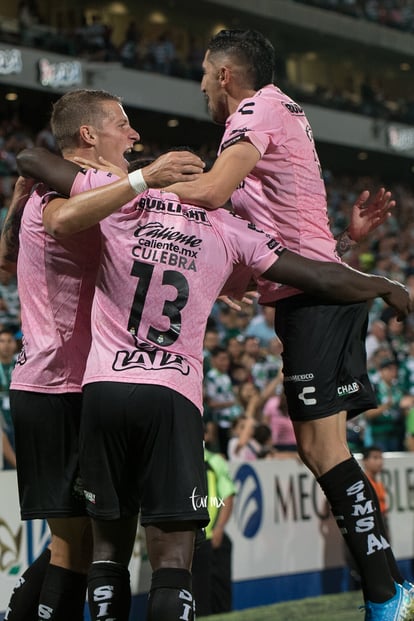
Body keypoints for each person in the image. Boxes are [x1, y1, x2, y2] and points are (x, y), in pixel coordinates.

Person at [15, 143, 411, 620]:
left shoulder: (124, 204)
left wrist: (121, 175)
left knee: (105, 553)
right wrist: (387, 285)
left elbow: (33, 159)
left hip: (102, 389)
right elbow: (315, 278)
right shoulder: (227, 230)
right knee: (173, 560)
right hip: (174, 396)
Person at [155, 28, 414, 620]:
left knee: (324, 450)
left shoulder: (255, 108)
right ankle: (387, 589)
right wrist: (344, 240)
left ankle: (387, 592)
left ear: (225, 74)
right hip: (314, 292)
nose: (199, 84)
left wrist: (145, 184)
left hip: (317, 299)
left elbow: (216, 190)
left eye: (202, 71)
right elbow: (277, 230)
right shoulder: (272, 115)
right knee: (322, 449)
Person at [0, 89, 205, 621]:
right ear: (89, 135)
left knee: (71, 544)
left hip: (48, 382)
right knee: (76, 548)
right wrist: (144, 178)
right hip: (65, 385)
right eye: (123, 124)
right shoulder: (71, 193)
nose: (134, 135)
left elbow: (6, 259)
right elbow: (64, 220)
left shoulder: (69, 189)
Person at [192, 424, 237, 616]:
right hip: (188, 539)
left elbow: (227, 496)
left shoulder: (214, 462)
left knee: (213, 595)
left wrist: (219, 528)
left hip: (209, 538)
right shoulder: (181, 460)